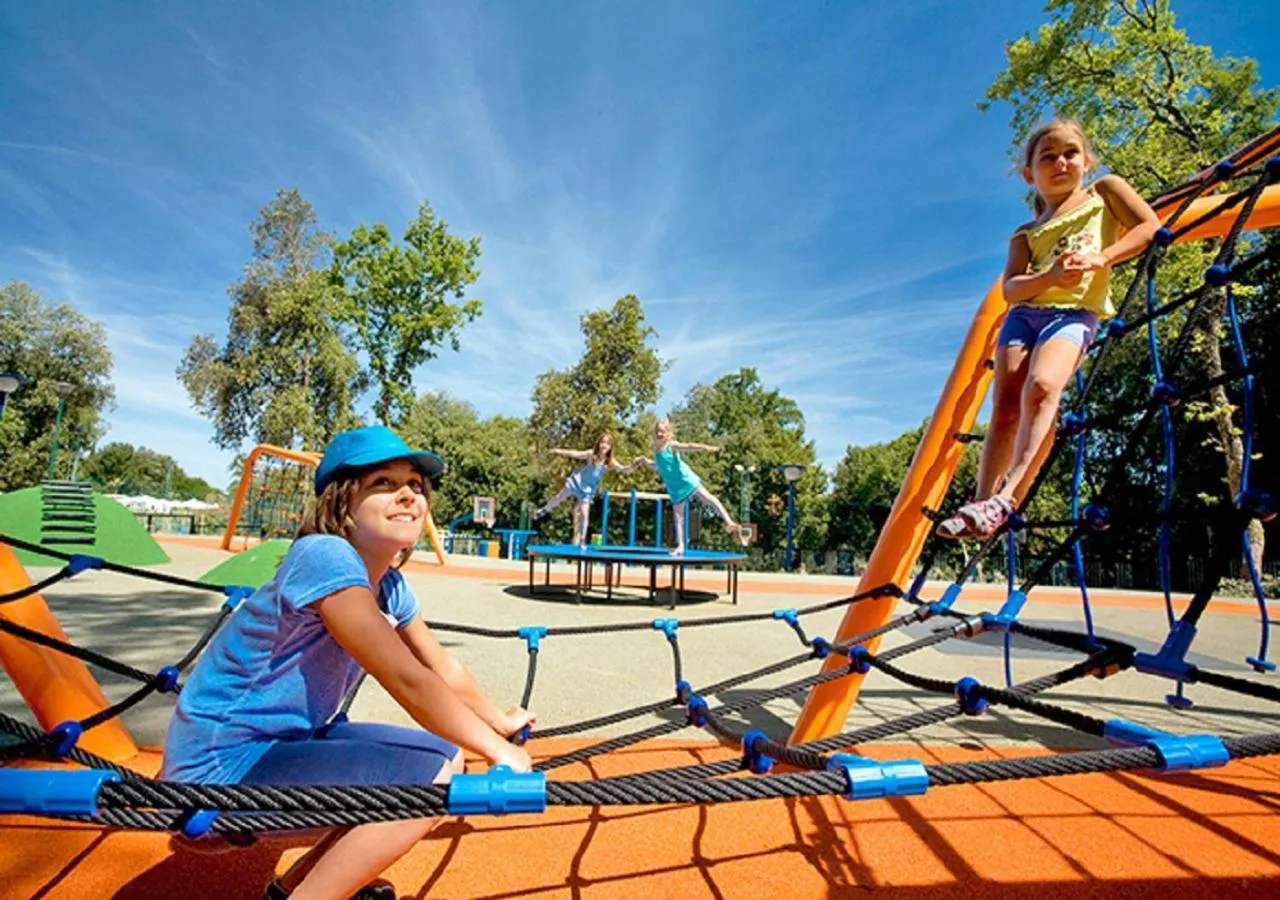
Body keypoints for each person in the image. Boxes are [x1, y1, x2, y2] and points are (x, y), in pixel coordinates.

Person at [162, 425, 535, 900]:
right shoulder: (324, 557)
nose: (407, 496)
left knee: (446, 755)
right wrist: (500, 753)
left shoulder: (390, 586)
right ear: (341, 502)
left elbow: (441, 666)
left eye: (416, 487)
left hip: (288, 742)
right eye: (383, 483)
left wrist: (497, 724)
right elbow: (405, 676)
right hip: (221, 771)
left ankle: (290, 889)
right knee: (426, 777)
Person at [937, 118, 1160, 539]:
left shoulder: (1105, 192)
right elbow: (1011, 288)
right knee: (1005, 404)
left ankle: (1007, 497)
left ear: (1087, 160)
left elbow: (1149, 226)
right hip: (1024, 317)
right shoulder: (1025, 233)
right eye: (1048, 156)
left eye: (1071, 153)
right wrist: (1051, 277)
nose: (1061, 162)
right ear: (1029, 174)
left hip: (1072, 314)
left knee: (1041, 388)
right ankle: (982, 499)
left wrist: (1102, 258)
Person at [633, 419, 746, 555]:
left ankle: (728, 522)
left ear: (668, 434)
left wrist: (705, 448)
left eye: (662, 431)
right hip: (674, 487)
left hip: (686, 480)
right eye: (657, 431)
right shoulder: (656, 451)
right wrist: (644, 461)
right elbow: (657, 466)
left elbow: (689, 446)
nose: (659, 434)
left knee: (707, 498)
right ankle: (680, 545)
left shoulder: (672, 446)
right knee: (678, 516)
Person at [531, 433, 638, 547]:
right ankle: (543, 510)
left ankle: (582, 540)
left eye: (607, 443)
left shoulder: (609, 461)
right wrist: (558, 451)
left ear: (610, 447)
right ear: (599, 444)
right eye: (602, 442)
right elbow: (575, 453)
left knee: (584, 513)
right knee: (559, 497)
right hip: (578, 481)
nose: (604, 445)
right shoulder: (591, 454)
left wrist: (635, 465)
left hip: (588, 489)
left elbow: (624, 469)